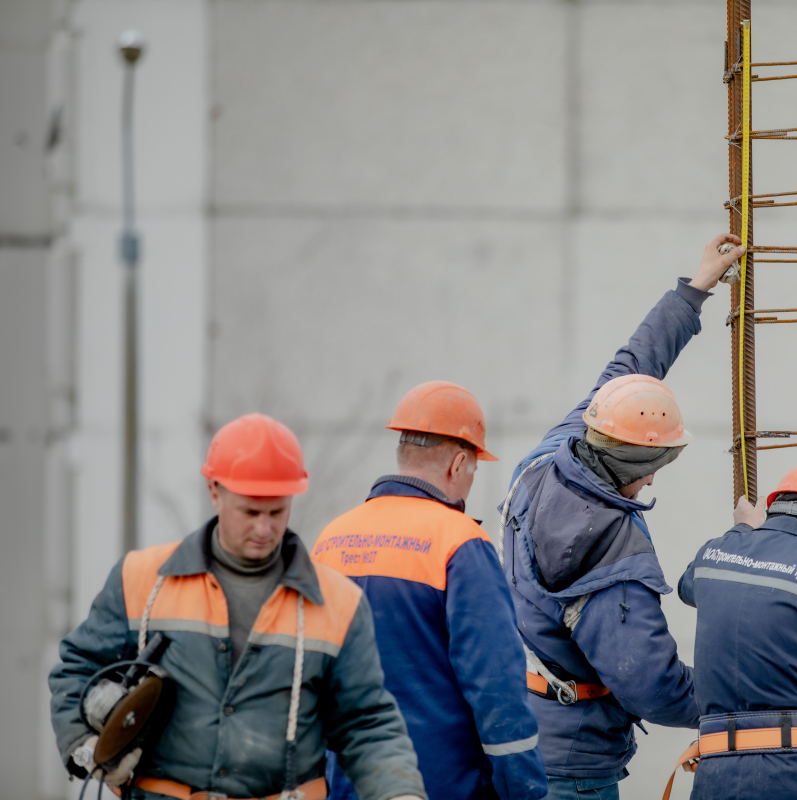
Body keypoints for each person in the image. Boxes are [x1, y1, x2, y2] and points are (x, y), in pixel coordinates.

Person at [49, 413, 426, 800]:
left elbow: (366, 722)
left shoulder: (339, 604)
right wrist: (84, 741)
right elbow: (77, 669)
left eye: (276, 512)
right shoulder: (140, 580)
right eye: (250, 512)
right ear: (215, 491)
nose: (264, 530)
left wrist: (399, 791)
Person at [500, 233, 745, 799]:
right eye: (654, 464)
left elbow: (632, 368)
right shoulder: (608, 551)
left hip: (521, 731)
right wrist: (742, 703)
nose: (655, 479)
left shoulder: (555, 455)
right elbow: (653, 685)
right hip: (572, 767)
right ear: (634, 460)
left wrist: (695, 289)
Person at [312, 381, 547, 800]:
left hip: (345, 784)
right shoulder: (459, 543)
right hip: (439, 785)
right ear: (458, 463)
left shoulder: (330, 541)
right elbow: (496, 686)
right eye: (474, 469)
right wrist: (524, 790)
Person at [672, 463, 797, 800]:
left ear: (772, 508)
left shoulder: (714, 556)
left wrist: (742, 532)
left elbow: (687, 585)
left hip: (716, 782)